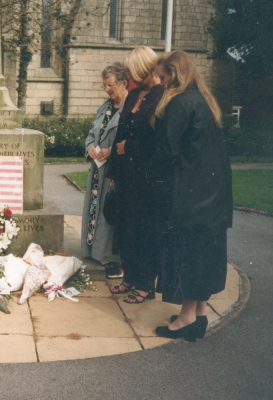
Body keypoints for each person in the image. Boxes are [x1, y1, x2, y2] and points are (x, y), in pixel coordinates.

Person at [151, 50, 233, 341]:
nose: (160, 82)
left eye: (162, 76)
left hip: (187, 196)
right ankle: (198, 314)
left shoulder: (180, 103)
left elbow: (167, 152)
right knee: (203, 256)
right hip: (212, 196)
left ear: (173, 74)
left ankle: (185, 320)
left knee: (187, 256)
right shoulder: (206, 101)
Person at [106, 46, 165, 304]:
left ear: (143, 67)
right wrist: (113, 170)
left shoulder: (162, 96)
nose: (129, 75)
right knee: (126, 227)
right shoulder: (134, 94)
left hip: (147, 176)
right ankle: (129, 277)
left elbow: (161, 141)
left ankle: (144, 284)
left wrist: (130, 147)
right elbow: (121, 133)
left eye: (131, 70)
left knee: (144, 231)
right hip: (127, 174)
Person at [80, 62, 128, 279]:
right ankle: (93, 251)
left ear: (123, 83)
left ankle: (111, 257)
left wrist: (112, 152)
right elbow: (92, 133)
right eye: (104, 86)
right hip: (97, 171)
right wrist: (90, 145)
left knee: (109, 214)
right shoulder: (105, 108)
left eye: (110, 85)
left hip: (115, 170)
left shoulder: (130, 109)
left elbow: (129, 142)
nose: (107, 90)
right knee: (95, 211)